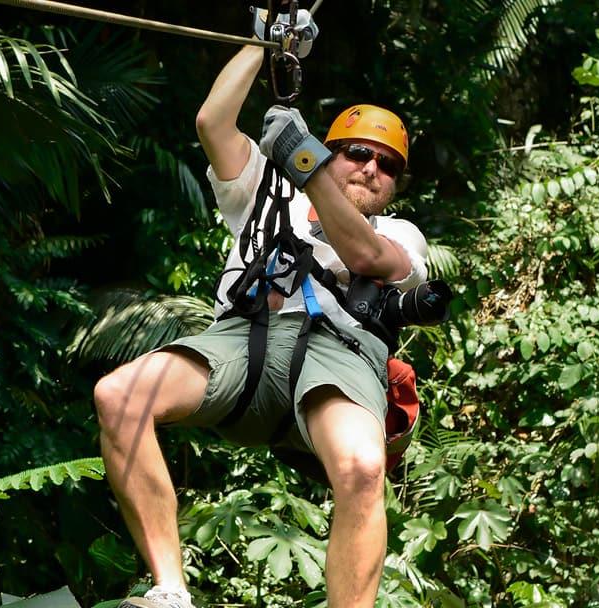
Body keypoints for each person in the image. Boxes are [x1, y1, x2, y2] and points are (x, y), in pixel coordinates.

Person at [92, 9, 429, 608]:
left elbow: (364, 253)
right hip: (240, 342)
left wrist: (307, 163)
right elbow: (212, 122)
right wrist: (262, 45)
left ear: (395, 184)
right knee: (118, 397)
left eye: (387, 165)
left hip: (338, 354)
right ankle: (169, 589)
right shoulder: (265, 190)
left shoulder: (401, 233)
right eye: (355, 153)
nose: (370, 168)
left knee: (361, 467)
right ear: (336, 150)